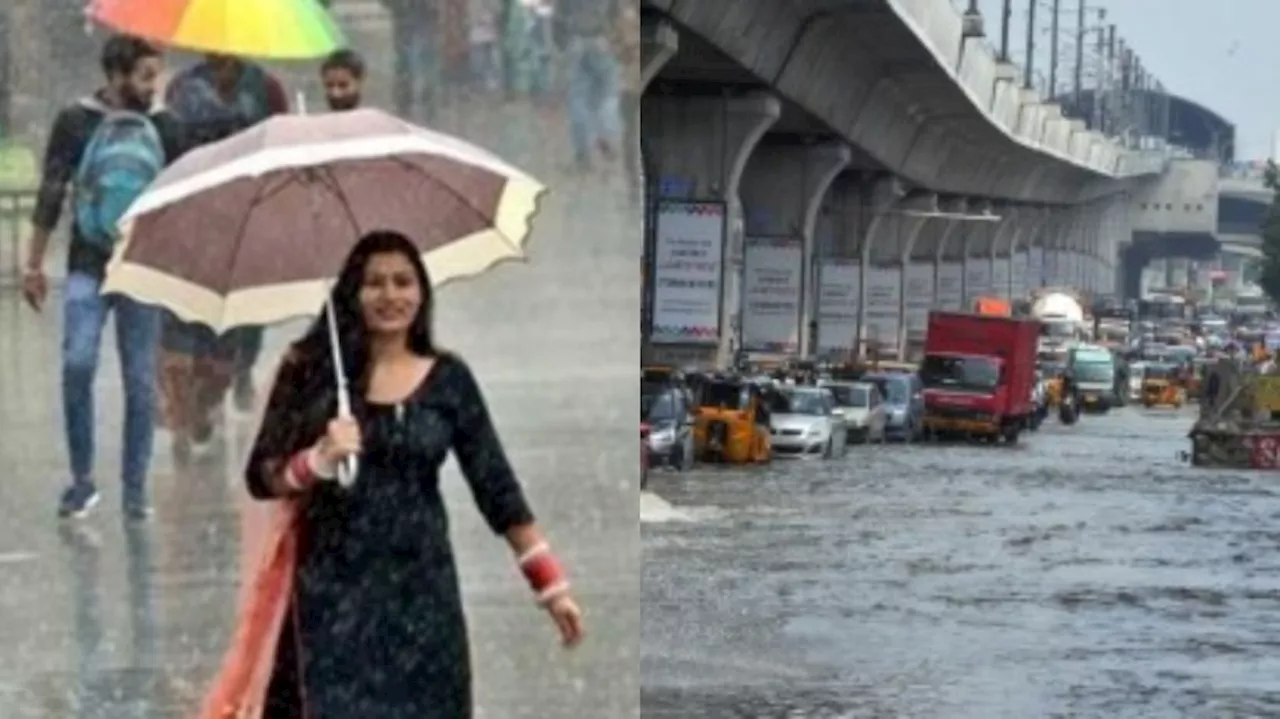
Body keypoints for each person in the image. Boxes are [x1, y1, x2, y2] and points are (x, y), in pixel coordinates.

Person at [242, 230, 584, 716]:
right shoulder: (308, 372)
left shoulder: (448, 380)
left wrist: (552, 589)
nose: (390, 296)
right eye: (374, 283)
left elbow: (498, 490)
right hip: (331, 596)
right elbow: (261, 475)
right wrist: (315, 461)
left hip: (422, 594)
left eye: (403, 282)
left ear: (422, 293)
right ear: (351, 293)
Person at [22, 35, 185, 519]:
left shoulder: (166, 125)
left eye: (156, 75)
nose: (153, 88)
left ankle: (135, 489)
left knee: (139, 380)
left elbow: (183, 200)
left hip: (142, 270)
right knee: (77, 362)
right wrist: (34, 264)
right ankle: (82, 481)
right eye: (144, 76)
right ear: (115, 76)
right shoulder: (76, 121)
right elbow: (52, 191)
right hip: (87, 263)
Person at [160, 54, 289, 459]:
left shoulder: (266, 88)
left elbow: (282, 144)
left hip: (248, 213)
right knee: (190, 318)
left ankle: (233, 374)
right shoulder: (182, 87)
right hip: (193, 216)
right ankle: (187, 409)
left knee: (243, 313)